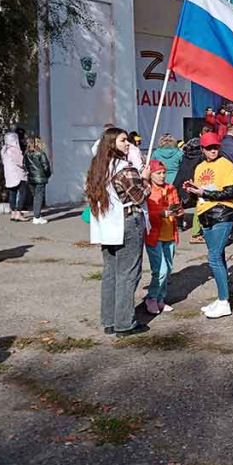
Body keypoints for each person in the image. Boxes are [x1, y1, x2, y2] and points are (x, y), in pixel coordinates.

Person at [87, 127, 151, 337]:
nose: (128, 144)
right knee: (128, 273)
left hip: (107, 225)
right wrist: (146, 180)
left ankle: (109, 319)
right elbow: (139, 196)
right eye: (124, 140)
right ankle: (124, 323)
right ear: (112, 143)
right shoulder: (124, 168)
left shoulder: (98, 168)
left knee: (111, 273)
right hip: (127, 222)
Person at [183, 132, 233, 318]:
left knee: (213, 257)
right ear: (202, 149)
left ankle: (224, 302)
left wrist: (204, 192)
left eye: (215, 147)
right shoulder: (199, 168)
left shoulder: (227, 165)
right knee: (218, 256)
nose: (213, 150)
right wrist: (191, 190)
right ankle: (222, 297)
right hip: (205, 214)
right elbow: (199, 193)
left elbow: (230, 192)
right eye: (209, 148)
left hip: (223, 213)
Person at [144, 160, 182, 315]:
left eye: (163, 172)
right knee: (160, 270)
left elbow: (177, 206)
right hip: (154, 236)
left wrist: (178, 211)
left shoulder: (170, 188)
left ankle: (160, 298)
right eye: (158, 173)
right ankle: (151, 298)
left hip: (170, 234)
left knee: (168, 269)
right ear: (150, 174)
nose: (162, 176)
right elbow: (146, 214)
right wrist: (161, 213)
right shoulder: (147, 191)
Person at [174, 125, 212, 243]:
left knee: (178, 204)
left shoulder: (185, 155)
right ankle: (196, 233)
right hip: (194, 183)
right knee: (199, 206)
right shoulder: (201, 158)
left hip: (180, 180)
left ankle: (179, 225)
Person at [23, 137, 52, 225]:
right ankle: (37, 217)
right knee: (38, 197)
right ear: (38, 144)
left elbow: (24, 166)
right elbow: (46, 167)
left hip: (31, 178)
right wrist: (47, 175)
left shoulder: (26, 154)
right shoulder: (41, 153)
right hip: (40, 178)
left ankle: (37, 215)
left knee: (35, 197)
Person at [1, 131, 29, 222]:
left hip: (9, 176)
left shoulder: (4, 149)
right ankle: (18, 213)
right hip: (18, 175)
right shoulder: (14, 150)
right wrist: (26, 168)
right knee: (22, 193)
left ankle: (13, 213)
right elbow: (20, 162)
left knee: (12, 194)